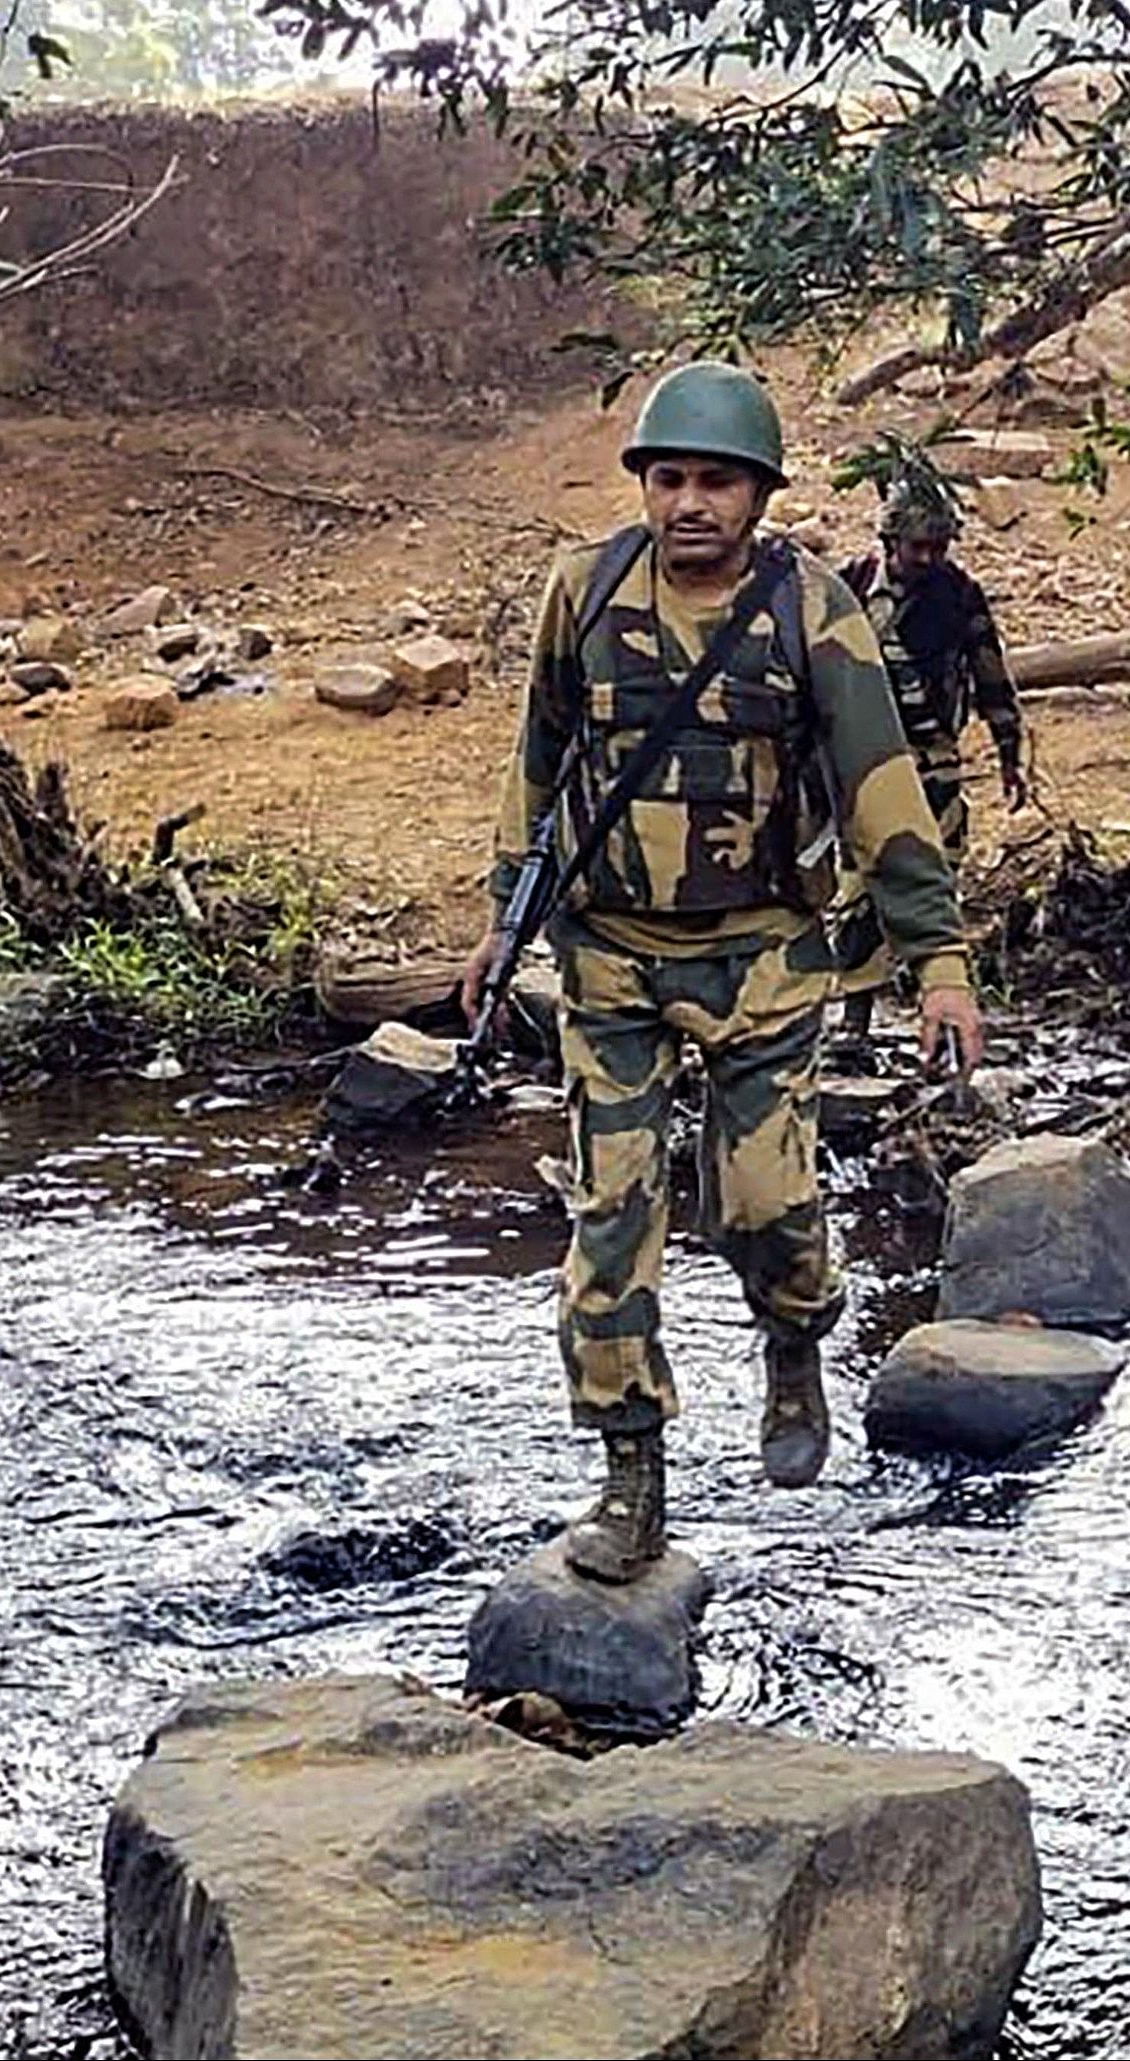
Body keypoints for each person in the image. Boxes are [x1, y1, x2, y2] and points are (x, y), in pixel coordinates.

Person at [458, 362, 985, 1584]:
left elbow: (880, 788)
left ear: (756, 494)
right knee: (610, 1220)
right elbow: (536, 766)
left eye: (717, 482)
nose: (690, 503)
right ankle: (630, 1477)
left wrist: (938, 965)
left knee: (762, 1204)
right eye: (670, 479)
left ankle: (795, 1338)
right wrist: (501, 921)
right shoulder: (581, 593)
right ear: (644, 484)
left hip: (763, 960)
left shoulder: (811, 608)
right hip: (610, 962)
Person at [830, 476, 1032, 1059]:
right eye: (917, 547)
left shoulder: (958, 594)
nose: (927, 558)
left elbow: (989, 671)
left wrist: (1009, 750)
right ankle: (856, 1017)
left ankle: (940, 1008)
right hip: (862, 760)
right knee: (861, 886)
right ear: (890, 541)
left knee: (936, 878)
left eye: (937, 547)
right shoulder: (851, 586)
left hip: (933, 757)